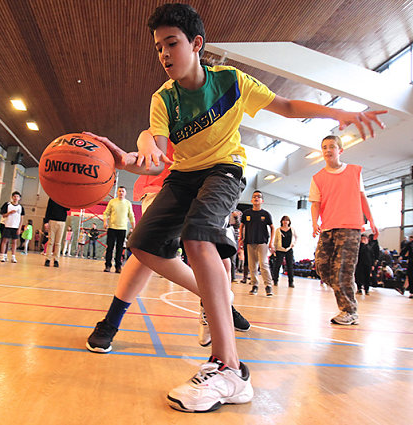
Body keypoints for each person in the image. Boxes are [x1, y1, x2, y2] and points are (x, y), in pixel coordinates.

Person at [87, 3, 386, 412]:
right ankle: (216, 296)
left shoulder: (230, 80)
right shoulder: (163, 98)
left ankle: (229, 367)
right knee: (142, 244)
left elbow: (285, 107)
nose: (164, 54)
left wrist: (341, 113)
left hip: (224, 170)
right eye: (158, 48)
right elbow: (157, 155)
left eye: (171, 44)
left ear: (196, 44)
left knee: (197, 237)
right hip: (183, 174)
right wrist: (126, 159)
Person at [86, 135, 250, 354]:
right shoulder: (166, 116)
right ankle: (217, 300)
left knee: (221, 257)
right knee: (147, 250)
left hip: (213, 182)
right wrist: (139, 149)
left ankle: (217, 307)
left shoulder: (222, 119)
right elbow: (148, 137)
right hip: (164, 186)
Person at [310, 135, 379, 325]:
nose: (327, 150)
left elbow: (362, 197)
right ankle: (346, 287)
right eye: (324, 147)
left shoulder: (354, 172)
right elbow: (315, 204)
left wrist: (371, 220)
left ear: (340, 150)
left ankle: (349, 311)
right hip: (328, 227)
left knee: (343, 270)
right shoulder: (317, 178)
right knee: (322, 267)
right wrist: (315, 222)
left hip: (350, 227)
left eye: (332, 146)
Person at [240, 191, 275, 296]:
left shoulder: (265, 214)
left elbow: (272, 227)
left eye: (259, 197)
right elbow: (242, 226)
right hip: (250, 242)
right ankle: (254, 285)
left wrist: (271, 242)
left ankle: (268, 286)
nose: (256, 198)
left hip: (262, 242)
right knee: (252, 266)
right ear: (251, 200)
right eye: (254, 196)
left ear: (262, 201)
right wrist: (241, 238)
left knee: (263, 264)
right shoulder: (246, 213)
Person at [103, 186, 135, 273]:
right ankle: (108, 266)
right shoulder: (112, 202)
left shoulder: (128, 203)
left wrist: (134, 226)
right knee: (110, 248)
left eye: (123, 191)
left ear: (125, 193)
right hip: (112, 228)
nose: (121, 192)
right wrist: (105, 222)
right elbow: (106, 213)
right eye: (119, 191)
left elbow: (131, 215)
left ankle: (118, 267)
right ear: (117, 192)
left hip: (122, 229)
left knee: (120, 249)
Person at [0, 191, 24, 263]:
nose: (16, 198)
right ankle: (2, 255)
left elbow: (22, 219)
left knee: (14, 242)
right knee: (4, 241)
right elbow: (3, 215)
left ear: (19, 198)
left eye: (17, 197)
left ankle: (13, 256)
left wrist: (19, 228)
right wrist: (9, 213)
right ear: (12, 197)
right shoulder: (8, 205)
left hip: (15, 227)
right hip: (7, 226)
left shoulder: (20, 207)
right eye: (14, 196)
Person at [272, 215, 297, 288]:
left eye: (287, 220)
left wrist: (294, 244)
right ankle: (275, 280)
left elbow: (296, 237)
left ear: (289, 222)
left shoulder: (292, 229)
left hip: (289, 249)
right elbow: (276, 240)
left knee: (290, 266)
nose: (285, 222)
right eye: (284, 220)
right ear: (281, 221)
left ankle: (291, 282)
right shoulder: (278, 230)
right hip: (280, 250)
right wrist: (274, 250)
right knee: (277, 265)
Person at [44, 198, 69, 268]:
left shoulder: (66, 198)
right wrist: (46, 221)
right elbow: (48, 209)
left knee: (58, 242)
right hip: (52, 220)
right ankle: (48, 259)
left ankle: (56, 260)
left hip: (62, 221)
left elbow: (68, 208)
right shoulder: (52, 197)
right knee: (50, 241)